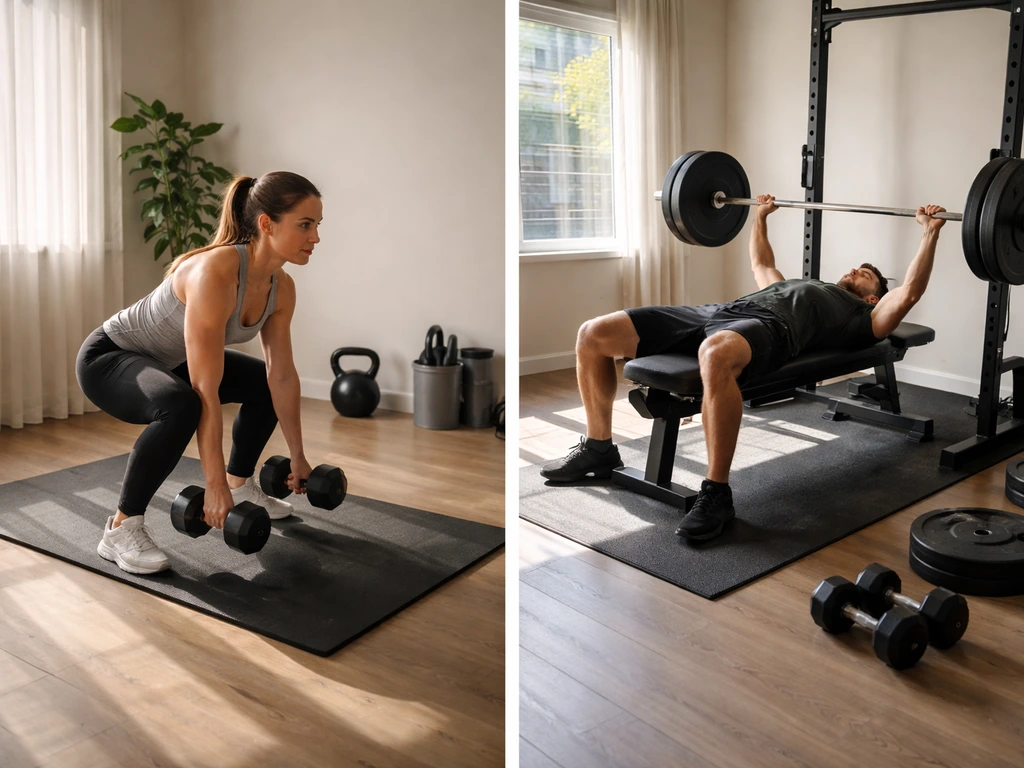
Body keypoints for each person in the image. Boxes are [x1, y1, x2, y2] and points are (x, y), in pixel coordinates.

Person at [541, 194, 947, 541]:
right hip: (720, 310)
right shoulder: (802, 284)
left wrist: (929, 232)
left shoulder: (862, 318)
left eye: (866, 275)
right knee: (592, 333)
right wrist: (760, 217)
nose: (854, 271)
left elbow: (909, 292)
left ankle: (716, 494)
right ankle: (599, 449)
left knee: (715, 354)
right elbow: (762, 266)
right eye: (855, 267)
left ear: (874, 297)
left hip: (772, 328)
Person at [75, 172, 324, 574]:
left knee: (263, 384)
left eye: (317, 225)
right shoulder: (214, 273)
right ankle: (121, 528)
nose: (315, 237)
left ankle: (242, 483)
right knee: (181, 404)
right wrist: (212, 484)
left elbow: (282, 377)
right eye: (305, 225)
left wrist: (298, 457)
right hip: (110, 358)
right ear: (266, 223)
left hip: (168, 362)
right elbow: (204, 387)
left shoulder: (282, 288)